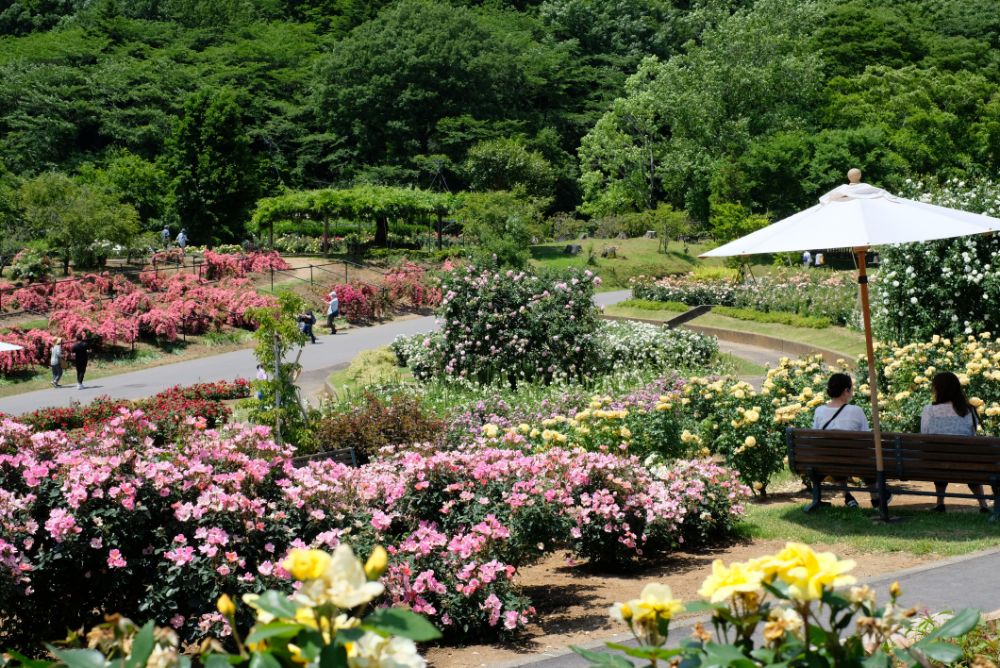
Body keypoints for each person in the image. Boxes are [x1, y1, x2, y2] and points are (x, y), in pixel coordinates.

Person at [921, 371, 990, 513]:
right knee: (967, 460)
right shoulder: (969, 411)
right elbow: (972, 434)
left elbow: (924, 435)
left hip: (936, 463)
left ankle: (940, 503)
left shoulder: (929, 410)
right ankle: (983, 505)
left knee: (939, 456)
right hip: (965, 463)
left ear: (937, 389)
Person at [812, 373, 881, 508]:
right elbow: (867, 439)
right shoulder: (856, 411)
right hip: (856, 461)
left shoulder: (819, 411)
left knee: (834, 454)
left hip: (828, 462)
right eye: (851, 389)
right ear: (846, 391)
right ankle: (875, 498)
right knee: (868, 458)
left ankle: (847, 496)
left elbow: (815, 438)